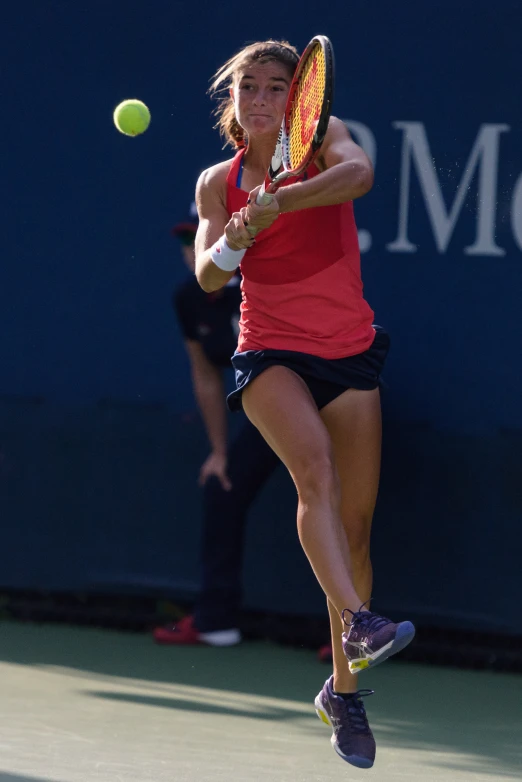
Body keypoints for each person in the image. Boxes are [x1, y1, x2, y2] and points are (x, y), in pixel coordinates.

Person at [193, 39, 416, 769]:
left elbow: (360, 176)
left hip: (349, 351)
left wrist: (284, 198)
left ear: (297, 98)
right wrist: (234, 238)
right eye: (247, 87)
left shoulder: (325, 143)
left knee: (354, 534)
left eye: (274, 87)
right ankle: (357, 621)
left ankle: (343, 694)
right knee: (313, 473)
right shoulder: (214, 183)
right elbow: (206, 278)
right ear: (234, 101)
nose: (259, 99)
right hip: (271, 353)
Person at [153, 202, 281, 647]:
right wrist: (220, 452)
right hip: (270, 410)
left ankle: (349, 631)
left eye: (200, 238)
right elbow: (207, 377)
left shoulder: (263, 283)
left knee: (335, 505)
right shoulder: (188, 298)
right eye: (187, 241)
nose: (192, 250)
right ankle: (215, 620)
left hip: (323, 399)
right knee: (222, 485)